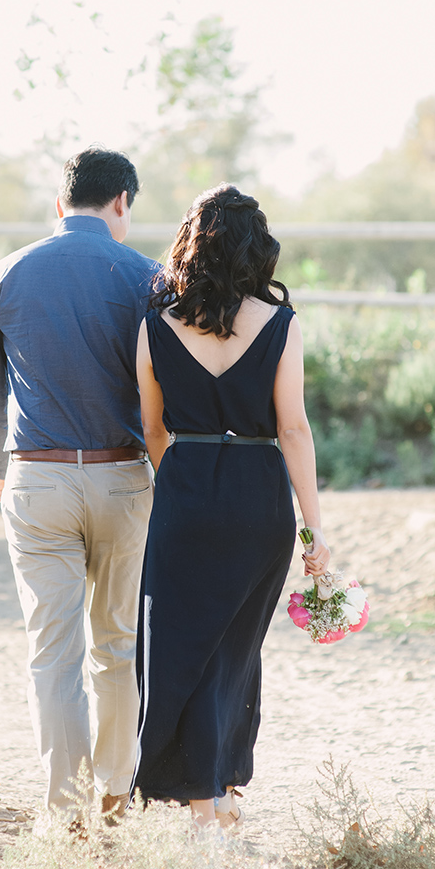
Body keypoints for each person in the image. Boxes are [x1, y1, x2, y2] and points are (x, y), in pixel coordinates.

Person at [131, 183, 330, 830]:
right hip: (258, 497)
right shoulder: (281, 325)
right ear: (256, 251)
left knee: (181, 646)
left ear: (190, 248)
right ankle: (212, 793)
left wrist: (188, 482)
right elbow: (294, 429)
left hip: (185, 492)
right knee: (234, 650)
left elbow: (153, 430)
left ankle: (203, 794)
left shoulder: (154, 328)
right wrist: (313, 525)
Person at [0, 147, 159, 817]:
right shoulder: (147, 276)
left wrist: (1, 466)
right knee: (117, 643)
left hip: (37, 477)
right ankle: (112, 788)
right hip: (122, 477)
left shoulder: (9, 271)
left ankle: (65, 810)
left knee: (53, 653)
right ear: (121, 204)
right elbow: (164, 390)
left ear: (60, 204)